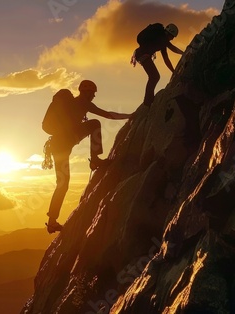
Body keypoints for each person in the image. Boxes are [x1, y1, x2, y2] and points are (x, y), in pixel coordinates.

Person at [45, 80, 131, 233]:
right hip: (67, 141)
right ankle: (96, 159)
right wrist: (131, 115)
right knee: (95, 124)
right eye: (92, 93)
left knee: (62, 184)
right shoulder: (83, 103)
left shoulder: (72, 104)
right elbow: (108, 115)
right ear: (88, 92)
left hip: (58, 146)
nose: (93, 97)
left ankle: (52, 222)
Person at [132, 23, 184, 107]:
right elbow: (172, 48)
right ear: (169, 33)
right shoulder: (163, 39)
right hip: (142, 54)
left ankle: (148, 101)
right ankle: (148, 102)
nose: (172, 39)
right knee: (154, 76)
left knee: (154, 76)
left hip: (141, 54)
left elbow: (166, 59)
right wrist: (183, 53)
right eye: (172, 36)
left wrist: (173, 71)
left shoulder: (162, 41)